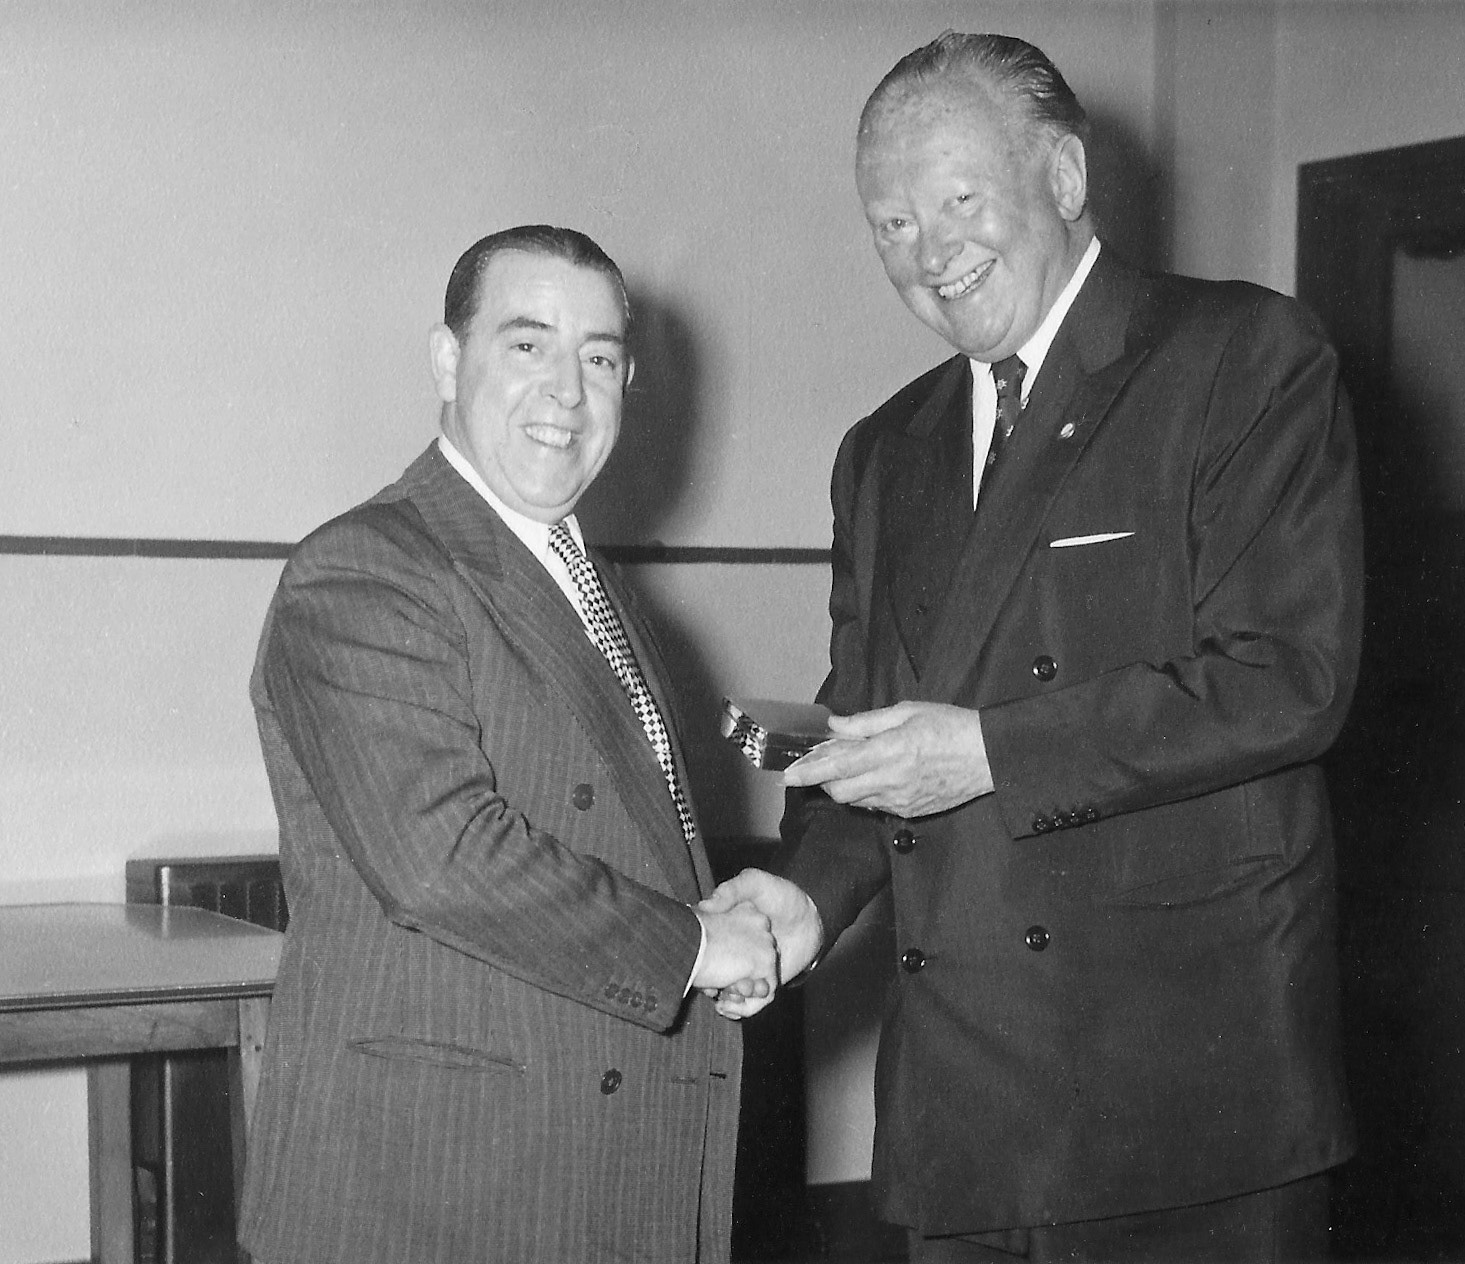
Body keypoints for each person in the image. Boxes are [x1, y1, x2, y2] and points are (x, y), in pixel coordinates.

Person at [708, 31, 1364, 1262]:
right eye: (890, 223)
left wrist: (991, 753)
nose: (928, 250)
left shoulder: (1242, 358)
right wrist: (805, 898)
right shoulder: (882, 451)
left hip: (1185, 1094)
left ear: (1062, 177)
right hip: (965, 1105)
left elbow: (1289, 677)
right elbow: (867, 734)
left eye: (959, 199)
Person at [242, 224, 777, 1264]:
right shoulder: (363, 568)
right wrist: (699, 946)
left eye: (601, 357)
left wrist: (716, 927)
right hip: (437, 1194)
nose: (568, 392)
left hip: (591, 1171)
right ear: (448, 360)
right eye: (527, 345)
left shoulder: (595, 586)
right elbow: (440, 859)